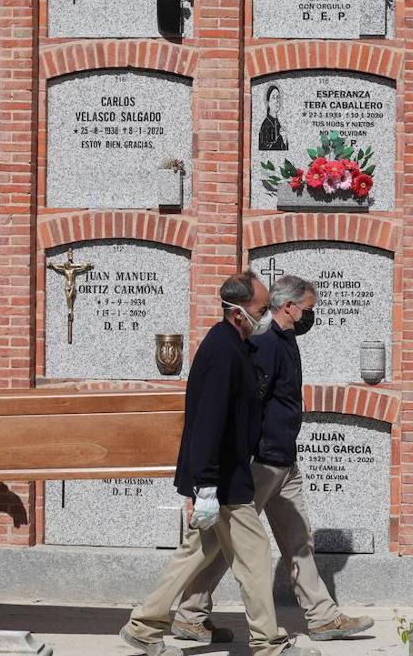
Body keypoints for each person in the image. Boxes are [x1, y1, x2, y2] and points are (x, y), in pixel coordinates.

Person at [120, 272, 320, 656]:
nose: (267, 315)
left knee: (195, 551)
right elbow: (209, 424)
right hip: (225, 479)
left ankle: (143, 625)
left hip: (228, 474)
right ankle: (267, 642)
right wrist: (206, 485)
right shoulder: (221, 352)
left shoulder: (235, 346)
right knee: (255, 556)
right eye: (262, 309)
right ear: (238, 312)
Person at [171, 275, 374, 643]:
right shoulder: (265, 345)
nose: (310, 316)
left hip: (284, 460)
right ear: (289, 306)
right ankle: (190, 613)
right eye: (308, 309)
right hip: (263, 461)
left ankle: (322, 616)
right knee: (222, 542)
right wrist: (252, 451)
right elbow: (250, 404)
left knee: (299, 539)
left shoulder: (286, 340)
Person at [258, 85, 287, 151]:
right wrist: (281, 138)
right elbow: (266, 148)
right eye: (273, 97)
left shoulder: (277, 123)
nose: (277, 101)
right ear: (268, 103)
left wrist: (285, 141)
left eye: (278, 97)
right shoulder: (265, 125)